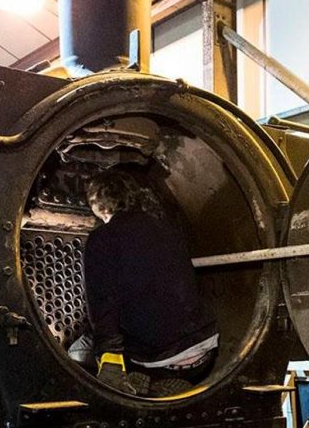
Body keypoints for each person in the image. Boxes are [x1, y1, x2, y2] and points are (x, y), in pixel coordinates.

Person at [75, 169, 217, 394]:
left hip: (162, 359)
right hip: (206, 349)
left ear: (98, 205)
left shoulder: (102, 237)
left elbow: (104, 302)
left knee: (77, 352)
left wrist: (109, 359)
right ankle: (154, 381)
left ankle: (145, 383)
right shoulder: (168, 229)